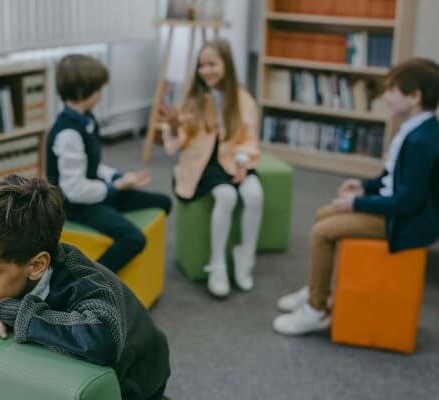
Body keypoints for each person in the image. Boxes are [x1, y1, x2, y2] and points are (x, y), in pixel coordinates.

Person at [0, 175, 170, 400]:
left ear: (36, 265)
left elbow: (101, 339)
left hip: (139, 378)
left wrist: (5, 309)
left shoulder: (81, 279)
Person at [273, 58, 439, 336]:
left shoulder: (423, 141)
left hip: (404, 222)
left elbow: (407, 201)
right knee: (324, 214)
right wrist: (363, 187)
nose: (385, 97)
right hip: (397, 209)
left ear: (414, 96)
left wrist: (356, 203)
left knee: (322, 232)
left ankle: (316, 309)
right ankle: (320, 287)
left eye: (391, 91)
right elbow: (391, 179)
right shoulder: (415, 130)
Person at [47, 54, 172, 273]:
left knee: (164, 202)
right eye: (98, 90)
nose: (100, 94)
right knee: (134, 239)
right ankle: (88, 281)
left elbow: (93, 166)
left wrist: (118, 177)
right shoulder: (67, 133)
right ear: (82, 92)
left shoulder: (86, 118)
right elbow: (74, 190)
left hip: (97, 192)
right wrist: (114, 188)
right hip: (76, 206)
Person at [159, 38, 264, 298]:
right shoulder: (193, 98)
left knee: (254, 195)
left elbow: (249, 138)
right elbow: (180, 140)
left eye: (212, 64)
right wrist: (173, 125)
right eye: (201, 65)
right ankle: (217, 263)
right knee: (226, 196)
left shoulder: (243, 99)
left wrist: (241, 160)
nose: (206, 70)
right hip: (204, 163)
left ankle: (245, 256)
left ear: (226, 64)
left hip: (234, 157)